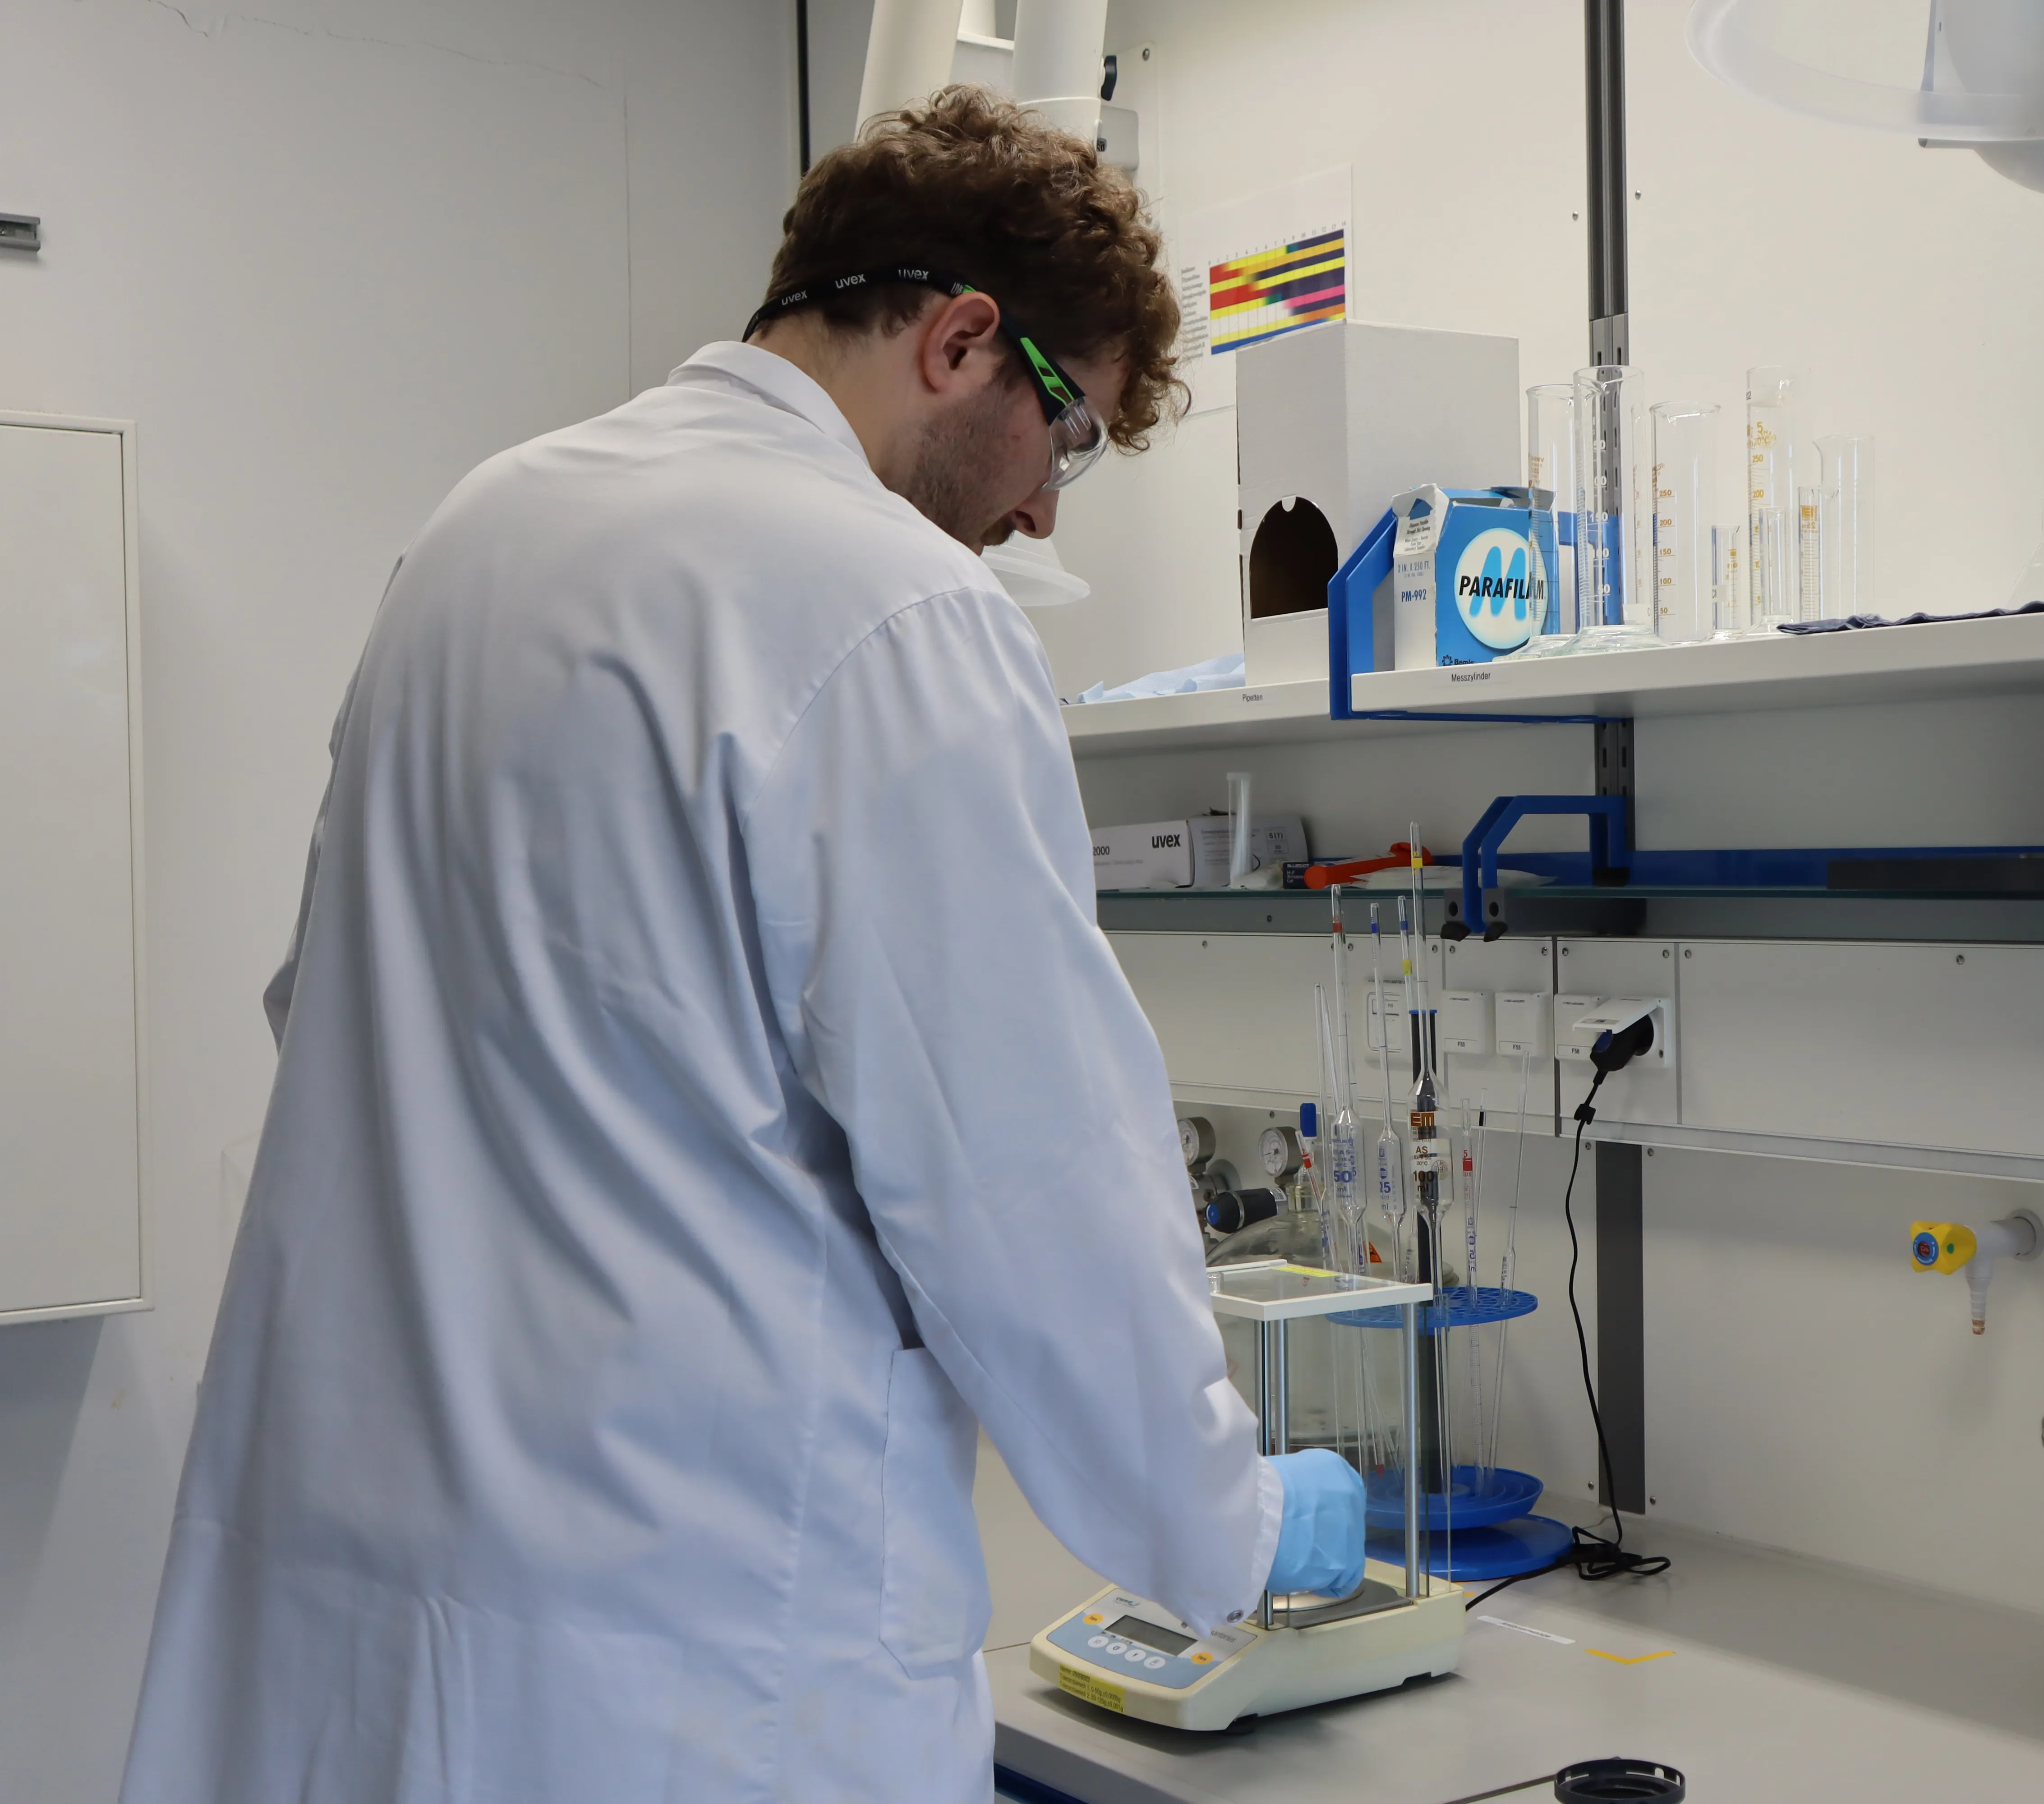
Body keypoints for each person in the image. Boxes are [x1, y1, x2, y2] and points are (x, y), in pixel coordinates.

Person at [119, 87, 1366, 1804]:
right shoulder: (897, 606)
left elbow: (325, 1006)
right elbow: (1032, 1192)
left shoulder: (479, 533)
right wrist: (1230, 1522)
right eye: (1068, 436)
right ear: (962, 342)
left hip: (353, 1620)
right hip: (679, 1670)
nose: (1044, 517)